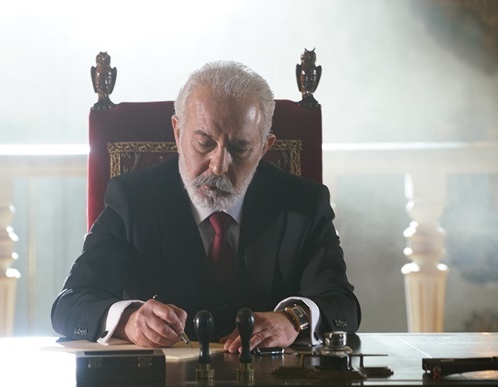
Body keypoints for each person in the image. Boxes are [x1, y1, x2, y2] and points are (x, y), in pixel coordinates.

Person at [51, 61, 361, 353]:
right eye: (204, 143)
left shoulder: (303, 203)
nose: (219, 165)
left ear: (264, 147)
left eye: (239, 148)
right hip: (159, 386)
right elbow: (70, 305)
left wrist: (293, 320)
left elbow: (343, 305)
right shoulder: (132, 199)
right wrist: (129, 322)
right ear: (177, 133)